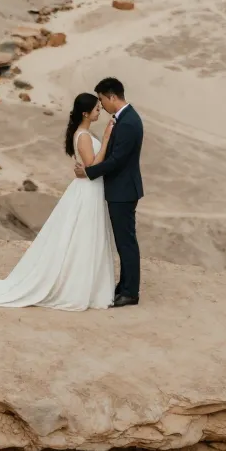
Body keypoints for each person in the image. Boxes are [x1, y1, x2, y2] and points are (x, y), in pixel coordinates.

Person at [0, 92, 117, 311]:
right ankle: (77, 286)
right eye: (96, 109)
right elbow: (92, 166)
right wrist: (106, 140)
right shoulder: (83, 136)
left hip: (89, 189)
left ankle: (87, 285)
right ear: (86, 113)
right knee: (82, 236)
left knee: (85, 236)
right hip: (88, 190)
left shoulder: (82, 133)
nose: (99, 111)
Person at [75, 77, 143, 307]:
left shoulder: (129, 123)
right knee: (123, 241)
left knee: (126, 242)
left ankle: (130, 292)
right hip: (121, 189)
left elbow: (117, 161)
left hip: (123, 191)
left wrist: (90, 172)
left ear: (112, 97)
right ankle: (123, 287)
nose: (101, 106)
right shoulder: (124, 119)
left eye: (103, 100)